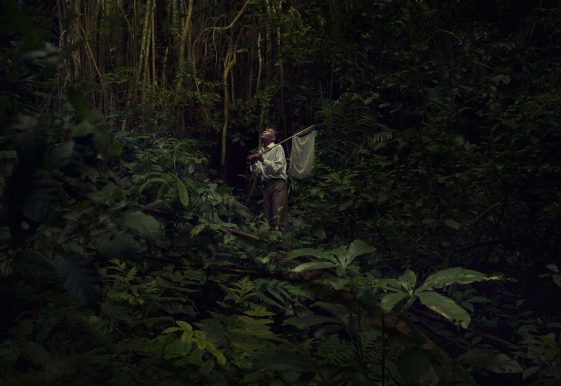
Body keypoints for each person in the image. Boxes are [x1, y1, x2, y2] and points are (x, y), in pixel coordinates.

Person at [248, 128, 288, 230]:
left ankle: (283, 242)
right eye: (265, 130)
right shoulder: (261, 151)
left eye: (269, 131)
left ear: (273, 137)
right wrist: (253, 163)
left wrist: (263, 159)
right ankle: (271, 241)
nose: (265, 131)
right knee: (268, 216)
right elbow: (257, 172)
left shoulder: (277, 148)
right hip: (266, 185)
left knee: (278, 212)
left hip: (278, 184)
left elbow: (278, 169)